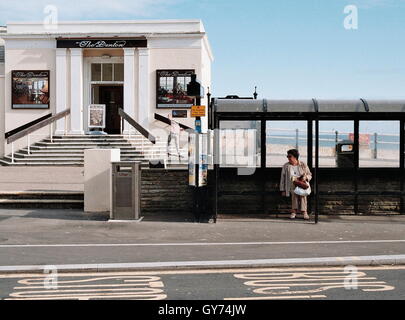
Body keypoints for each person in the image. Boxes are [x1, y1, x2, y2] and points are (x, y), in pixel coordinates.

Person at [280, 149, 312, 220]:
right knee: (294, 197)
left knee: (303, 196)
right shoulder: (286, 166)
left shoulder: (303, 164)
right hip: (292, 184)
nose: (288, 158)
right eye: (287, 156)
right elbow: (283, 178)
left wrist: (305, 178)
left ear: (295, 157)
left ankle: (304, 212)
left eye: (289, 156)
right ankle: (294, 212)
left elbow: (310, 174)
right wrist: (282, 189)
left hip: (301, 183)